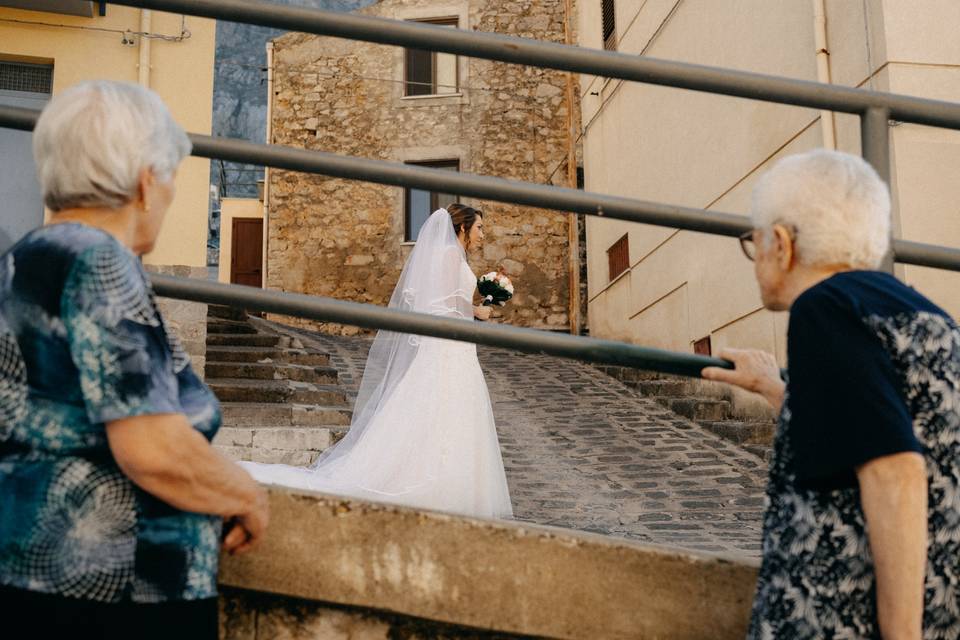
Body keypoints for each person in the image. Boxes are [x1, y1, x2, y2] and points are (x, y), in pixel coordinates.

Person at [0, 80, 269, 639]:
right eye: (171, 175)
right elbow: (153, 448)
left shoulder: (24, 257)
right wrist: (245, 494)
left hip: (29, 571)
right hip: (116, 585)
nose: (170, 193)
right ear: (147, 182)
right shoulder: (101, 263)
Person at [702, 149, 960, 639]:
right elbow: (882, 421)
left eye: (752, 241)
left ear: (781, 243)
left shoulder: (823, 311)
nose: (754, 257)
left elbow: (894, 469)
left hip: (844, 616)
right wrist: (779, 390)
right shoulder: (924, 315)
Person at [242, 205, 513, 519]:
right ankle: (440, 485)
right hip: (448, 346)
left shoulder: (448, 256)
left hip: (450, 343)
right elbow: (452, 305)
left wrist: (483, 297)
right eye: (479, 228)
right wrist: (478, 311)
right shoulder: (451, 255)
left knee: (437, 407)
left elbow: (444, 301)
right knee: (445, 406)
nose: (482, 235)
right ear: (463, 228)